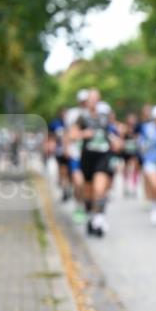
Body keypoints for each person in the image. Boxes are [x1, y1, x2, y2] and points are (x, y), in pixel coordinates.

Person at [76, 96, 122, 237]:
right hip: (87, 158)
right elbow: (71, 134)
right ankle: (92, 215)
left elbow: (119, 143)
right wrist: (84, 134)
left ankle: (99, 217)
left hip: (103, 158)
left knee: (99, 189)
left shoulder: (108, 124)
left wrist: (116, 143)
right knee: (89, 193)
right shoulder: (82, 118)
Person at [65, 90, 91, 223]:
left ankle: (88, 206)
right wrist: (66, 148)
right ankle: (79, 206)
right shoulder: (72, 114)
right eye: (83, 100)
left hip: (90, 155)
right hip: (76, 154)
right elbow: (68, 133)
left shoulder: (94, 113)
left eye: (87, 100)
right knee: (78, 182)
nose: (85, 103)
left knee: (88, 185)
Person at [47, 107, 73, 201]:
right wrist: (50, 145)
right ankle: (64, 189)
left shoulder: (71, 123)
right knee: (62, 170)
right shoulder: (55, 124)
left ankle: (69, 186)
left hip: (72, 151)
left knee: (71, 172)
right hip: (60, 151)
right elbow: (50, 135)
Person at [120, 112, 141, 198]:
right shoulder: (124, 129)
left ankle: (134, 187)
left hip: (135, 151)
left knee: (135, 168)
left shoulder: (138, 129)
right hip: (126, 151)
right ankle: (126, 185)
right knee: (126, 168)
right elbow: (121, 139)